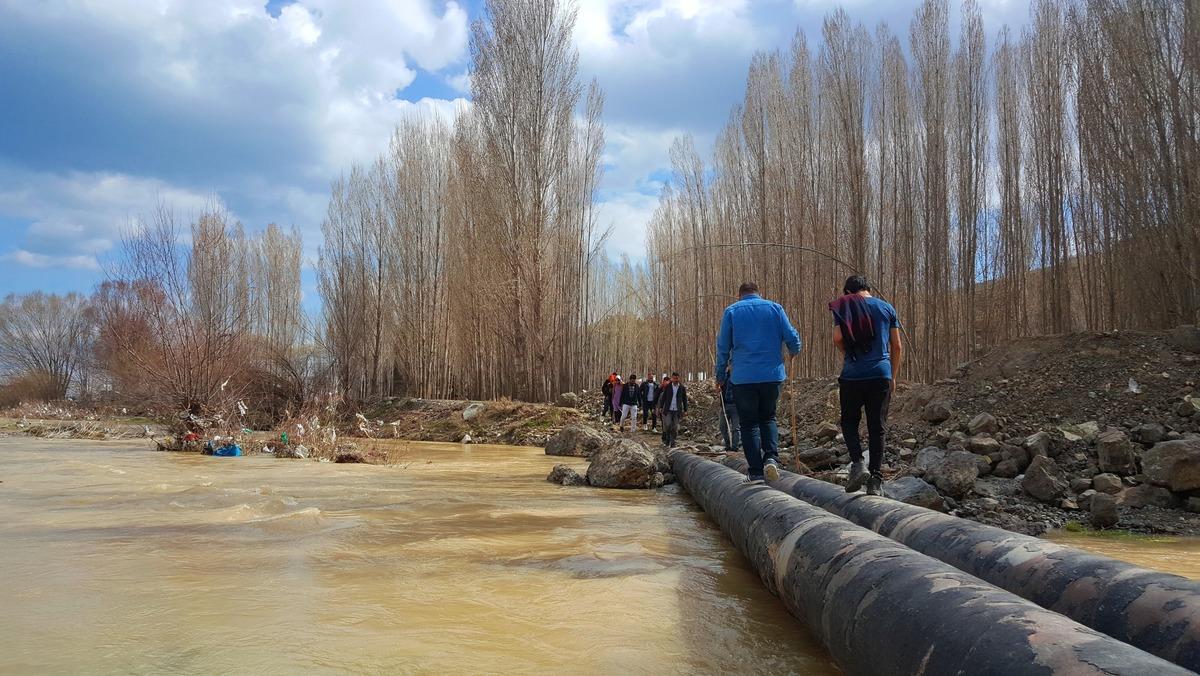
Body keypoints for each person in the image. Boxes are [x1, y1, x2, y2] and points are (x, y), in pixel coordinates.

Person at [714, 282, 802, 483]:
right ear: (758, 293)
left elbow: (723, 348)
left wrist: (720, 376)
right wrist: (794, 349)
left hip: (743, 378)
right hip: (771, 376)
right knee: (768, 418)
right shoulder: (774, 308)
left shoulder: (732, 312)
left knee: (749, 424)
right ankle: (771, 458)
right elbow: (791, 336)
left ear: (740, 295)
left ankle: (755, 472)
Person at [830, 275, 902, 496]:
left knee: (849, 422)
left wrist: (849, 354)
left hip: (852, 375)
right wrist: (892, 376)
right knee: (877, 427)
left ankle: (858, 462)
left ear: (848, 292)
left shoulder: (845, 306)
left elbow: (837, 337)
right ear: (867, 289)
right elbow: (897, 346)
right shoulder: (886, 308)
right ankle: (876, 481)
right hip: (880, 374)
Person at [657, 372, 688, 447]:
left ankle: (673, 442)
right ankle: (667, 439)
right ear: (672, 378)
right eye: (674, 378)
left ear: (679, 378)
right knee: (667, 425)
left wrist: (685, 410)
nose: (676, 380)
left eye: (677, 378)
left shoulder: (681, 387)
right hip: (668, 409)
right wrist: (661, 407)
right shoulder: (668, 387)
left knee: (675, 427)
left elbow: (684, 399)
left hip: (677, 410)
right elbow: (664, 397)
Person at [717, 374, 740, 451]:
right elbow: (718, 387)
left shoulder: (739, 376)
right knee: (722, 426)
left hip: (736, 406)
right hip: (724, 405)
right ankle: (727, 445)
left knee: (735, 428)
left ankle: (735, 447)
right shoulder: (724, 377)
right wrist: (719, 388)